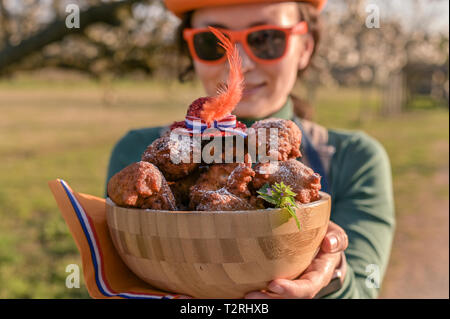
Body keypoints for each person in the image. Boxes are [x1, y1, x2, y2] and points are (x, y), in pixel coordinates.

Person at [106, 0, 395, 299]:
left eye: (266, 39)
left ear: (305, 46)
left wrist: (333, 276)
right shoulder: (135, 156)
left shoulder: (354, 159)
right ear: (189, 50)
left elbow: (363, 288)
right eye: (213, 42)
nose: (240, 64)